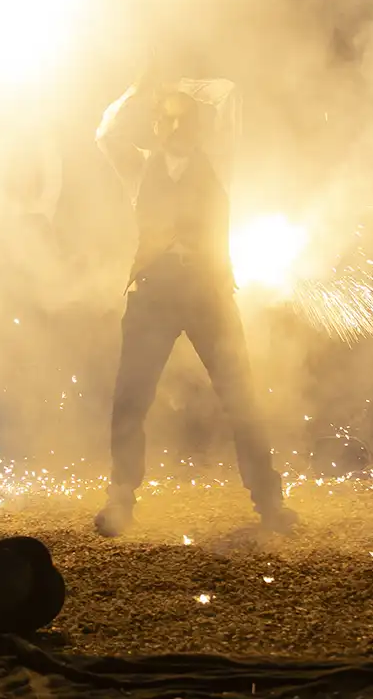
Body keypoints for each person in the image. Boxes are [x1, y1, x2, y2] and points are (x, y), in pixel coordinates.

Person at [92, 76, 295, 536]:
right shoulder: (141, 167)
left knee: (240, 396)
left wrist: (177, 82)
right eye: (165, 118)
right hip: (154, 291)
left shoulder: (218, 161)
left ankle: (269, 503)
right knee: (130, 399)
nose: (174, 125)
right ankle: (120, 501)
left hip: (207, 291)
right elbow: (105, 135)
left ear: (197, 126)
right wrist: (139, 89)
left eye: (182, 117)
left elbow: (229, 94)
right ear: (156, 126)